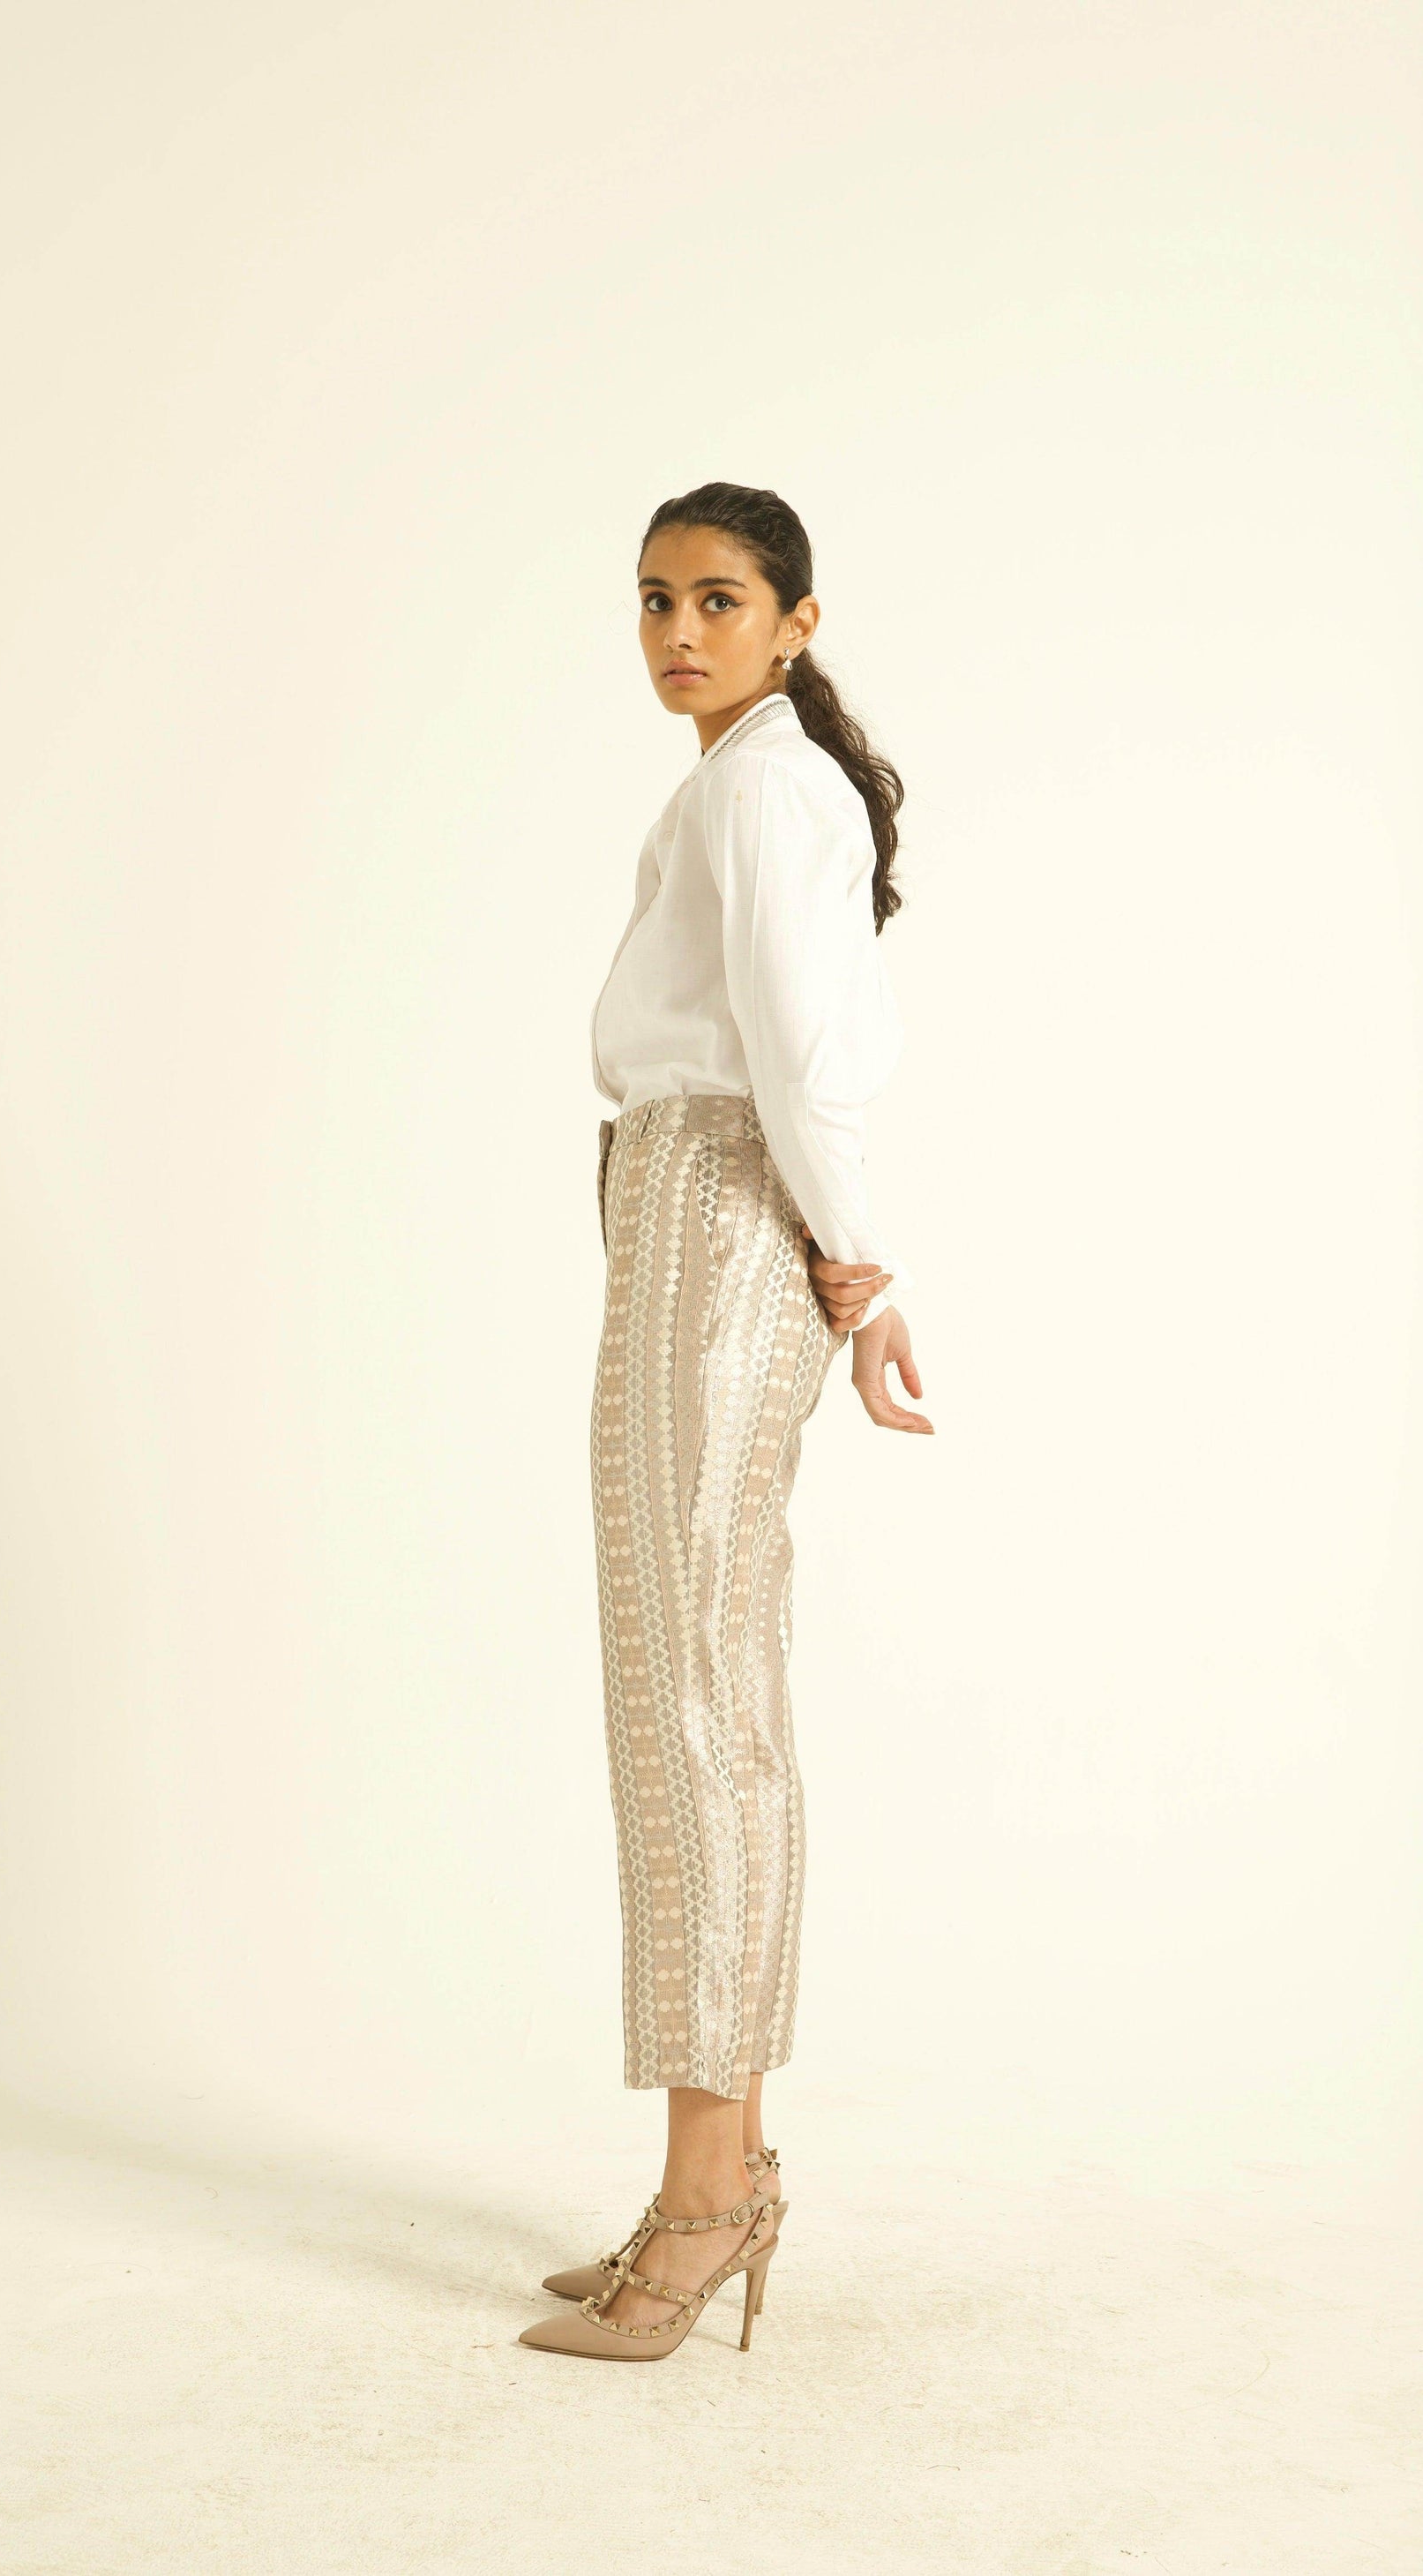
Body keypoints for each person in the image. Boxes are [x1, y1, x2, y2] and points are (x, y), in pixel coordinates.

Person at [519, 482, 931, 2364]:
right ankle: (720, 2168)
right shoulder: (741, 782)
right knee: (687, 1680)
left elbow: (794, 1049)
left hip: (723, 1200)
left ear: (795, 620)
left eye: (718, 599)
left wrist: (857, 1262)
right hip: (687, 1196)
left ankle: (708, 2197)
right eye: (653, 599)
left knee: (696, 1693)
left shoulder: (768, 788)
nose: (678, 632)